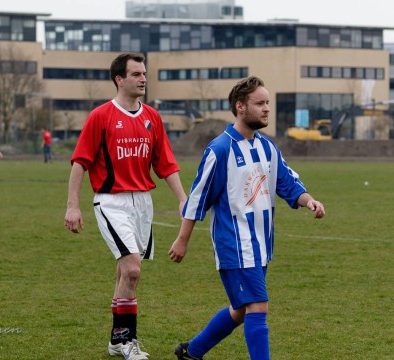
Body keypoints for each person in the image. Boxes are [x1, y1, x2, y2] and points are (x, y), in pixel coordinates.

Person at [168, 76, 326, 360]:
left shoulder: (267, 147)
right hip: (235, 245)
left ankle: (192, 351)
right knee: (258, 306)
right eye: (260, 103)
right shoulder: (220, 149)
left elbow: (287, 183)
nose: (267, 109)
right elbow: (198, 198)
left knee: (241, 309)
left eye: (268, 103)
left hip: (261, 245)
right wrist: (182, 240)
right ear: (240, 106)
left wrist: (308, 200)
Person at [64, 52, 187, 360]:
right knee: (132, 269)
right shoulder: (101, 116)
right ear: (119, 79)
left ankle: (115, 341)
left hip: (143, 203)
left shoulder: (152, 117)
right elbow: (80, 162)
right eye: (136, 74)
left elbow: (166, 164)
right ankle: (124, 340)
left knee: (126, 272)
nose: (143, 78)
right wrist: (72, 206)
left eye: (144, 73)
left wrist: (183, 199)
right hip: (111, 202)